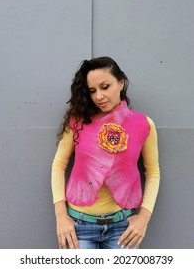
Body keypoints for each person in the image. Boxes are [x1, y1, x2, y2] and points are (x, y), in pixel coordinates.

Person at [51, 56, 160, 249]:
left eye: (105, 86)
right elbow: (59, 166)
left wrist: (144, 216)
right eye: (92, 91)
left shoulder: (144, 124)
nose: (98, 96)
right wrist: (61, 217)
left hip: (123, 228)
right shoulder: (78, 121)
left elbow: (153, 172)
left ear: (121, 82)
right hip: (79, 226)